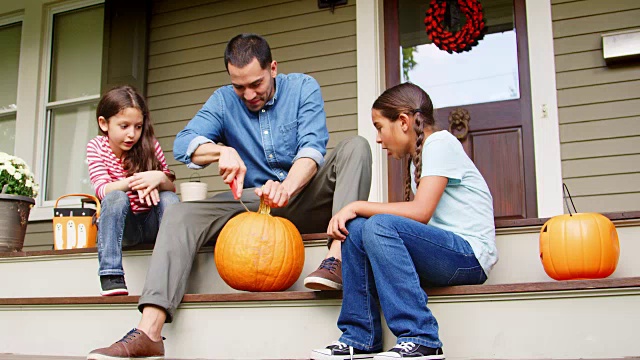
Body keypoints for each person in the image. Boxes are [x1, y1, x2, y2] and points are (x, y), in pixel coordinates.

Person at [87, 33, 372, 359]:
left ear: (273, 68)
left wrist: (287, 187)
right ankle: (148, 331)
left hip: (307, 195)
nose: (248, 94)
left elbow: (311, 148)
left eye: (256, 84)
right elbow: (184, 143)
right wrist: (219, 151)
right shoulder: (224, 100)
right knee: (179, 211)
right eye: (240, 87)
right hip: (254, 203)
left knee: (356, 147)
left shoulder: (303, 87)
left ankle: (335, 259)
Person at [310, 83, 497, 360]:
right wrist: (357, 214)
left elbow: (420, 212)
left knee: (375, 222)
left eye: (379, 126)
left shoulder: (441, 143)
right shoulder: (418, 158)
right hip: (442, 254)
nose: (378, 138)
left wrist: (356, 204)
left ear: (404, 122)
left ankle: (422, 338)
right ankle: (360, 337)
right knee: (358, 227)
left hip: (468, 256)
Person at [86, 85, 179, 296]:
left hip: (151, 224)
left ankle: (171, 270)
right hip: (124, 227)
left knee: (169, 198)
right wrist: (139, 181)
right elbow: (102, 189)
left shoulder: (149, 145)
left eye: (138, 126)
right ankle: (111, 274)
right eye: (124, 126)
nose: (132, 134)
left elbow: (170, 186)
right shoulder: (97, 146)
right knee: (116, 197)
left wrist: (158, 178)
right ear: (104, 123)